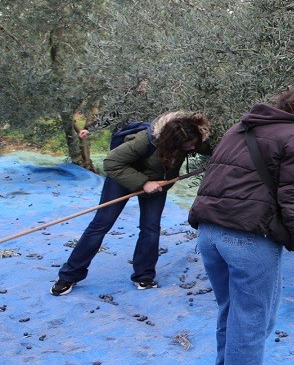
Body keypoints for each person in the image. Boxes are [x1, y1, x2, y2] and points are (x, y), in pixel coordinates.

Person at [189, 86, 294, 364]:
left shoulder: (240, 128)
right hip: (247, 237)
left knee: (231, 313)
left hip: (209, 232)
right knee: (252, 323)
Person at [51, 112, 211, 296]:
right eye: (186, 145)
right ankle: (68, 276)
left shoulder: (191, 136)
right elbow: (111, 163)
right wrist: (143, 183)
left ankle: (144, 276)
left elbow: (213, 149)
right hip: (122, 179)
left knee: (150, 228)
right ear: (171, 141)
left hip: (158, 184)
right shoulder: (146, 141)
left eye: (193, 143)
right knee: (101, 224)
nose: (191, 147)